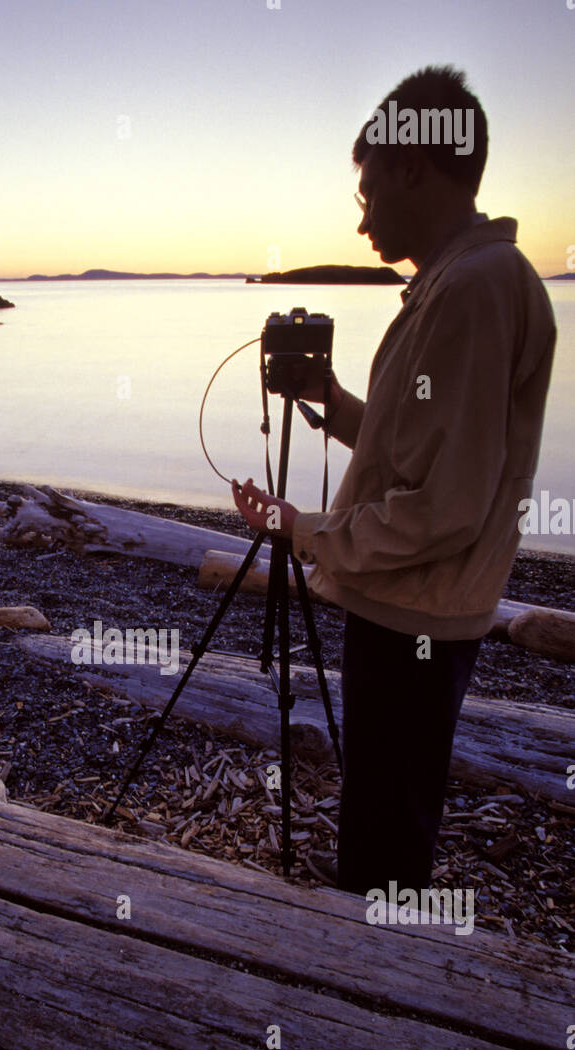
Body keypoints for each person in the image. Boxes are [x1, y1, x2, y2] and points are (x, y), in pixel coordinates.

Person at [232, 65, 556, 897]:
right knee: (383, 810)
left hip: (417, 615)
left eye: (369, 191)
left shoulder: (477, 289)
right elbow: (425, 445)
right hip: (413, 604)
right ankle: (372, 964)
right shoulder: (459, 280)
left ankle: (379, 997)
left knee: (386, 837)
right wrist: (335, 405)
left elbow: (445, 506)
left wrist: (305, 530)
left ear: (416, 166)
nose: (363, 214)